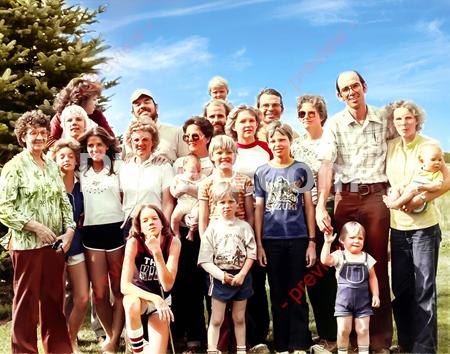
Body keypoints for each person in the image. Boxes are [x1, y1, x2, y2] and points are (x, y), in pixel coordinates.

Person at [316, 70, 393, 353]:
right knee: (346, 266)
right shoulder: (334, 124)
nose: (351, 92)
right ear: (339, 95)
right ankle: (347, 339)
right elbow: (326, 164)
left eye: (355, 86)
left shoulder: (385, 119)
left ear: (364, 86)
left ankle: (379, 341)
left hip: (376, 197)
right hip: (346, 198)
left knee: (377, 267)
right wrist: (321, 203)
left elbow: (399, 150)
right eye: (345, 89)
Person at [0, 110, 75, 353]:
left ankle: (59, 349)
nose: (39, 137)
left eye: (43, 133)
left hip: (54, 246)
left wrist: (70, 232)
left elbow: (64, 202)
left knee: (54, 301)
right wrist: (35, 227)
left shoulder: (53, 166)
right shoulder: (14, 167)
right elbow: (4, 208)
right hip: (26, 246)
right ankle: (24, 350)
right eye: (33, 133)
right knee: (26, 302)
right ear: (23, 136)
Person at [383, 100, 450, 353]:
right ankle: (406, 342)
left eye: (408, 118)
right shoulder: (390, 147)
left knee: (424, 290)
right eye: (398, 119)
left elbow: (447, 180)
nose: (403, 123)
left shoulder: (430, 145)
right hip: (397, 229)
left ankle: (424, 347)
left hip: (424, 228)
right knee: (401, 289)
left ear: (416, 119)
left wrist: (422, 198)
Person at [255, 121, 316, 353]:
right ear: (268, 144)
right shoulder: (262, 172)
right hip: (271, 239)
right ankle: (281, 343)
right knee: (279, 292)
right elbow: (259, 208)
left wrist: (312, 241)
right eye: (273, 140)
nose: (277, 144)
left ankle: (299, 342)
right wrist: (259, 243)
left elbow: (309, 206)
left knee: (298, 290)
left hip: (298, 237)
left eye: (282, 139)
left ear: (290, 141)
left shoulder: (302, 169)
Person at [291, 95, 337, 352]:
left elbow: (328, 178)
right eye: (302, 114)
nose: (306, 117)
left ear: (321, 115)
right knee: (309, 275)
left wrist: (322, 208)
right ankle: (316, 333)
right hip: (300, 214)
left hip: (326, 209)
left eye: (311, 113)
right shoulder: (296, 146)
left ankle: (332, 334)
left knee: (325, 273)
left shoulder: (330, 141)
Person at [225, 103, 272, 352]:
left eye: (251, 121)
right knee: (238, 277)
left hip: (264, 218)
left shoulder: (265, 150)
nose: (248, 125)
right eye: (242, 121)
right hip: (236, 221)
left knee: (258, 277)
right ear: (234, 125)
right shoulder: (230, 151)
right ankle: (240, 336)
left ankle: (261, 333)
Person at [78, 126, 124, 353]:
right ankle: (111, 336)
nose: (95, 149)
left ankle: (114, 340)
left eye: (99, 145)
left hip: (116, 231)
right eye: (90, 146)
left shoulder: (117, 167)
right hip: (92, 234)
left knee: (119, 290)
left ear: (107, 147)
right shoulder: (82, 169)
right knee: (100, 292)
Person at [170, 117, 214, 353]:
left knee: (207, 284)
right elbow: (173, 193)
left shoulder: (214, 161)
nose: (190, 140)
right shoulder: (179, 163)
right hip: (185, 231)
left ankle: (212, 336)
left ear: (207, 137)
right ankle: (188, 335)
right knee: (185, 284)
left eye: (195, 136)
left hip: (208, 228)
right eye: (186, 136)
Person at [198, 182, 257, 354]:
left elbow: (251, 253)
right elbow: (205, 260)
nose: (227, 206)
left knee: (239, 317)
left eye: (231, 201)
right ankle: (212, 350)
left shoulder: (244, 227)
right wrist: (221, 276)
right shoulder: (212, 228)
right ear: (215, 205)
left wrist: (242, 274)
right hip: (219, 277)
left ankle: (240, 350)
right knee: (216, 319)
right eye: (222, 202)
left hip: (241, 276)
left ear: (237, 204)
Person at [121, 204, 181, 354]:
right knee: (130, 304)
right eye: (145, 220)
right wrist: (155, 298)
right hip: (140, 298)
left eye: (154, 218)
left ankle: (142, 345)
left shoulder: (173, 242)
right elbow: (124, 285)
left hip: (161, 302)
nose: (151, 223)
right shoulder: (134, 242)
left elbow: (167, 286)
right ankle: (138, 350)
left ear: (162, 222)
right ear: (140, 227)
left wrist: (157, 253)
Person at [51, 139, 89, 354]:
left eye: (71, 156)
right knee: (56, 297)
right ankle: (57, 342)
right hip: (54, 245)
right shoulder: (49, 184)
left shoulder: (81, 185)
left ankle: (70, 338)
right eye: (62, 156)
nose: (66, 159)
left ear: (77, 161)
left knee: (83, 297)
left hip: (76, 244)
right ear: (55, 159)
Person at [320, 221, 380, 354]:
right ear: (342, 240)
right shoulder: (339, 256)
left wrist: (375, 295)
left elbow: (372, 277)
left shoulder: (367, 258)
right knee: (343, 330)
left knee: (363, 329)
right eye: (352, 238)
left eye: (360, 238)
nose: (356, 241)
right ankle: (342, 351)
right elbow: (325, 260)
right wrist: (327, 243)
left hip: (363, 303)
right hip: (343, 303)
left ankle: (364, 352)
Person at [120, 119, 175, 234]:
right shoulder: (124, 167)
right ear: (130, 142)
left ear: (153, 142)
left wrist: (164, 228)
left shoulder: (163, 166)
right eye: (136, 140)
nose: (140, 143)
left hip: (154, 223)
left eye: (145, 139)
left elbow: (168, 202)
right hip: (129, 226)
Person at [48, 77, 114, 147]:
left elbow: (110, 138)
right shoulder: (60, 116)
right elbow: (49, 141)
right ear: (82, 100)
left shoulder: (96, 115)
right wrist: (71, 147)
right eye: (94, 99)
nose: (96, 103)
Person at [130, 88, 188, 164]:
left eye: (147, 102)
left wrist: (170, 162)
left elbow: (189, 162)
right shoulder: (128, 137)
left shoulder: (176, 132)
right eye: (137, 104)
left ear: (156, 107)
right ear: (133, 113)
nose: (142, 106)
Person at [383, 143, 444, 210]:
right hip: (409, 195)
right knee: (397, 188)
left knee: (412, 189)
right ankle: (392, 201)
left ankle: (397, 204)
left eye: (440, 160)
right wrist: (401, 186)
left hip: (420, 199)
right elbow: (408, 180)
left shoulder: (437, 174)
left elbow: (438, 186)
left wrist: (426, 188)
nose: (437, 162)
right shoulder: (418, 170)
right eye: (433, 159)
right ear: (422, 161)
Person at [170, 154, 206, 240]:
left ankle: (191, 232)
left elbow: (204, 191)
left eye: (199, 171)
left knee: (195, 218)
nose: (196, 174)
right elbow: (173, 189)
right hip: (182, 204)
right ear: (184, 170)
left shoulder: (203, 178)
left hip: (195, 205)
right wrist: (175, 192)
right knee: (174, 218)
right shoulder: (179, 178)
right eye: (193, 171)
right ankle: (176, 234)